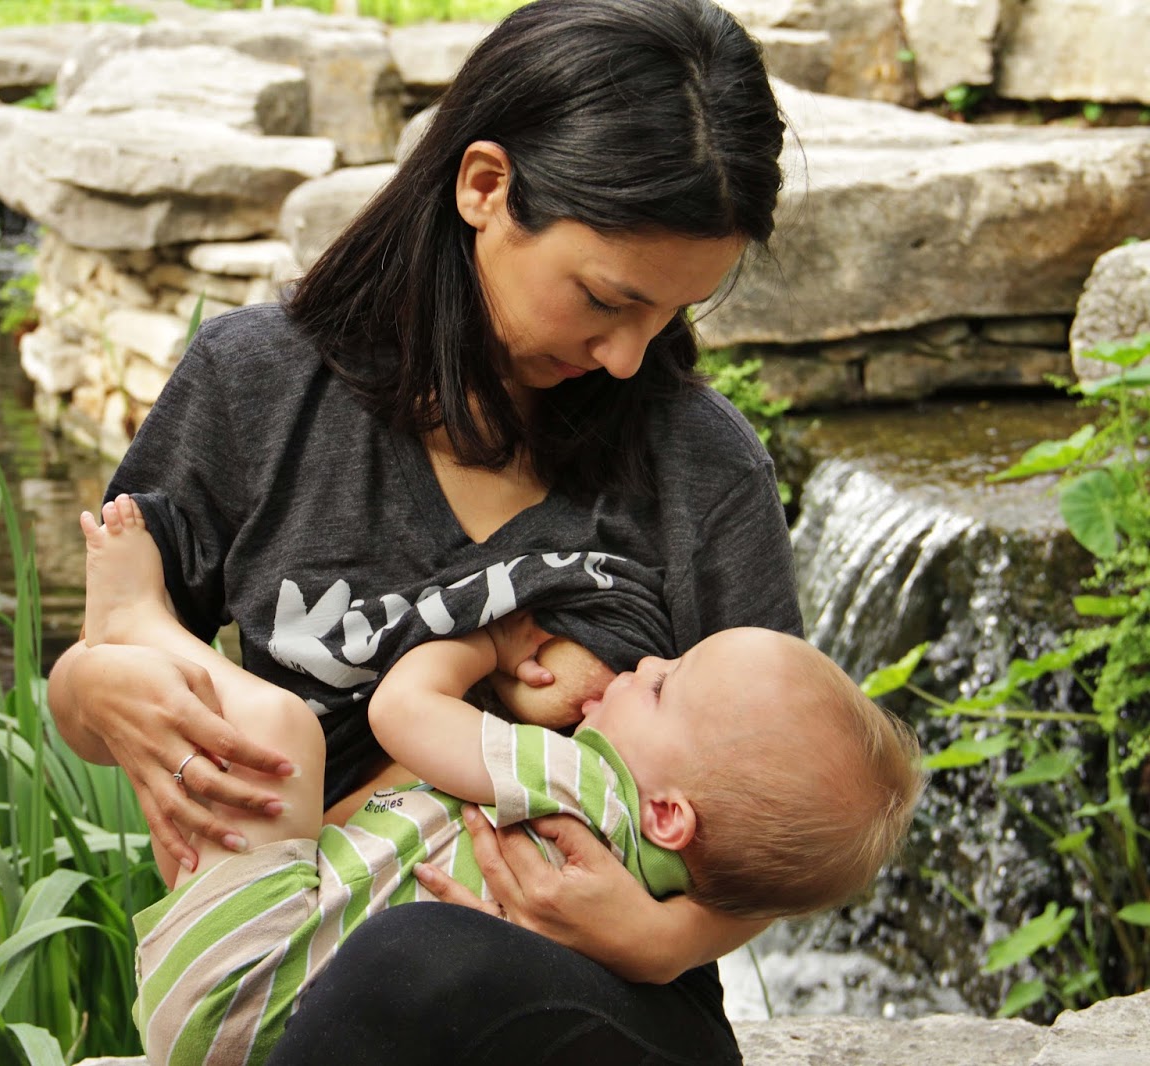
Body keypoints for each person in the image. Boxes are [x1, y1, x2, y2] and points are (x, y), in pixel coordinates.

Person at [46, 0, 799, 1060]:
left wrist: (662, 934)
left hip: (590, 1006)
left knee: (415, 960)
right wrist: (93, 689)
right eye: (603, 299)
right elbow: (90, 690)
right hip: (302, 959)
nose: (630, 357)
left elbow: (785, 800)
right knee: (384, 965)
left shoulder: (701, 467)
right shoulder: (256, 385)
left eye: (671, 315)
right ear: (483, 187)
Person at [81, 495, 921, 1066]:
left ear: (667, 812)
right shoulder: (673, 879)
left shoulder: (574, 783)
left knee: (277, 734)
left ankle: (143, 624)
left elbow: (402, 714)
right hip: (273, 1001)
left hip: (247, 980)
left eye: (664, 685)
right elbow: (758, 879)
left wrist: (491, 647)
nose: (649, 660)